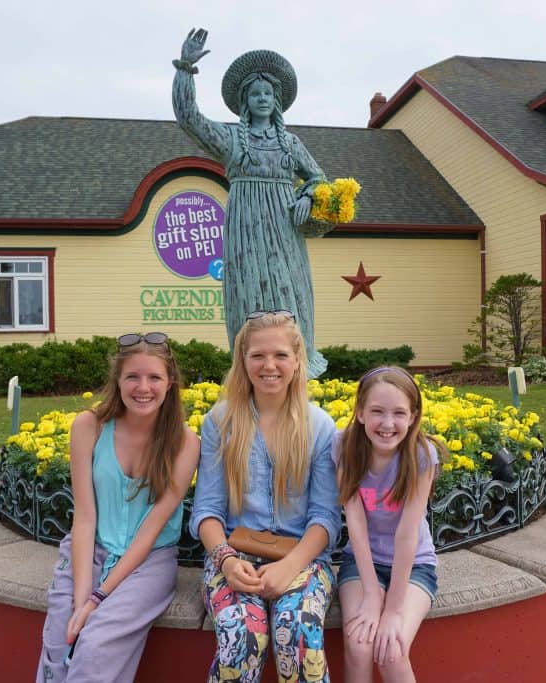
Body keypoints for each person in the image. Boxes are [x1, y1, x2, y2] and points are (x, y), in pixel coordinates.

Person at [36, 332, 200, 683]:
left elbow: (152, 527)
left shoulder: (185, 443)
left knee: (95, 646)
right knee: (59, 642)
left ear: (170, 383)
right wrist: (82, 599)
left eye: (154, 377)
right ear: (118, 381)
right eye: (133, 377)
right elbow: (84, 517)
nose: (143, 387)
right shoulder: (89, 427)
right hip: (89, 551)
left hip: (147, 561)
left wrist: (98, 598)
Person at [190, 311, 341, 682]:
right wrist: (225, 561)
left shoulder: (319, 426)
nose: (268, 365)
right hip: (234, 556)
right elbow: (207, 510)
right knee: (241, 638)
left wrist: (289, 567)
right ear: (242, 361)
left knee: (299, 634)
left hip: (302, 559)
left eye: (280, 355)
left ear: (296, 361)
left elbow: (324, 518)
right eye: (257, 355)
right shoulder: (220, 421)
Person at [172, 28, 330, 378]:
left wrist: (306, 194)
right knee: (249, 296)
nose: (262, 98)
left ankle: (296, 371)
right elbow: (189, 118)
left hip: (286, 231)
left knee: (291, 295)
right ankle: (250, 371)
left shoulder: (290, 142)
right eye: (255, 93)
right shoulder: (230, 140)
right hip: (246, 230)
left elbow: (319, 179)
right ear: (245, 100)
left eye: (268, 93)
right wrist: (185, 68)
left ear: (277, 100)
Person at [333, 367, 447, 682]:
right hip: (362, 562)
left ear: (413, 417)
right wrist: (371, 593)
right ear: (359, 413)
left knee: (391, 649)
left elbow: (407, 535)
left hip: (413, 566)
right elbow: (355, 522)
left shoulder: (422, 456)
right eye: (376, 412)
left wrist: (393, 610)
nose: (387, 423)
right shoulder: (344, 446)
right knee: (359, 645)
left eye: (399, 413)